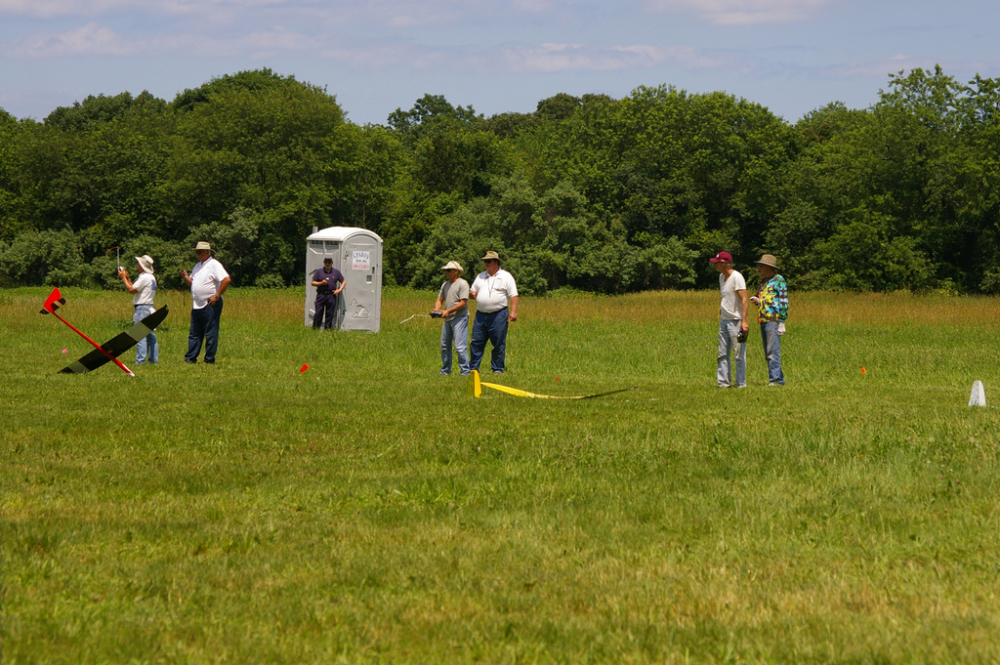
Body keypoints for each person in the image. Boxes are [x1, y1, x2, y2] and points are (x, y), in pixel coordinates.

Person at [180, 241, 230, 364]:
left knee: (210, 333)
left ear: (207, 252)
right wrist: (186, 277)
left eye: (200, 252)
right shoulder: (197, 266)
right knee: (194, 333)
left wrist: (217, 296)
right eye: (196, 252)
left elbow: (226, 279)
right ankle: (190, 358)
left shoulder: (214, 264)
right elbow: (192, 283)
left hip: (210, 304)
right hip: (197, 304)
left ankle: (209, 359)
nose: (197, 254)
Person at [469, 251, 518, 374]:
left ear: (496, 262)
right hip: (480, 314)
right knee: (476, 342)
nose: (486, 264)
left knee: (498, 343)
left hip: (499, 314)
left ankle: (497, 369)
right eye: (485, 261)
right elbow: (472, 291)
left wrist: (513, 312)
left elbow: (513, 295)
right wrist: (472, 294)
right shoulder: (480, 276)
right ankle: (473, 368)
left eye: (488, 261)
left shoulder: (506, 276)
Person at [709, 251, 748, 388]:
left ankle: (741, 383)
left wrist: (744, 321)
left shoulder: (737, 277)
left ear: (724, 263)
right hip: (724, 320)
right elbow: (725, 296)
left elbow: (744, 299)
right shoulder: (721, 277)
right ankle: (724, 383)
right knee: (722, 353)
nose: (715, 265)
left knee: (738, 354)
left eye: (717, 263)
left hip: (736, 321)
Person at [750, 253, 788, 386]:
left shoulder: (779, 280)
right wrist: (757, 300)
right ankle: (778, 379)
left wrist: (782, 321)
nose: (759, 268)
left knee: (772, 351)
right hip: (763, 319)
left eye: (761, 266)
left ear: (768, 267)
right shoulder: (763, 282)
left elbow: (783, 300)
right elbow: (763, 298)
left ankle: (776, 380)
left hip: (773, 319)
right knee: (768, 351)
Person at [117, 254, 158, 364]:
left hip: (142, 309)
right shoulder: (151, 277)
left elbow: (131, 289)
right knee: (150, 335)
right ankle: (153, 360)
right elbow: (135, 287)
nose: (137, 264)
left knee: (139, 336)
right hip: (149, 308)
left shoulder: (144, 277)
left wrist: (123, 278)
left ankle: (140, 361)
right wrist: (127, 278)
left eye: (138, 263)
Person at [433, 261, 470, 375]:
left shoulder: (463, 284)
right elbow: (440, 299)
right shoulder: (445, 284)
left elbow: (463, 302)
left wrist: (448, 311)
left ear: (456, 272)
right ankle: (445, 370)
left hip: (460, 318)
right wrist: (436, 309)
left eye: (449, 270)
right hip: (448, 319)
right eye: (445, 270)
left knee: (459, 347)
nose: (446, 272)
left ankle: (465, 371)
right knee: (444, 346)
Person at [310, 257, 346, 330]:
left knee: (330, 313)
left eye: (329, 262)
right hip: (321, 295)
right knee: (318, 313)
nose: (327, 264)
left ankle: (328, 330)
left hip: (331, 295)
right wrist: (321, 283)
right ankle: (315, 329)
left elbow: (343, 282)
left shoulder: (336, 272)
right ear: (324, 263)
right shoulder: (319, 272)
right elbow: (313, 282)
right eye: (326, 262)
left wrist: (338, 290)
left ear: (332, 263)